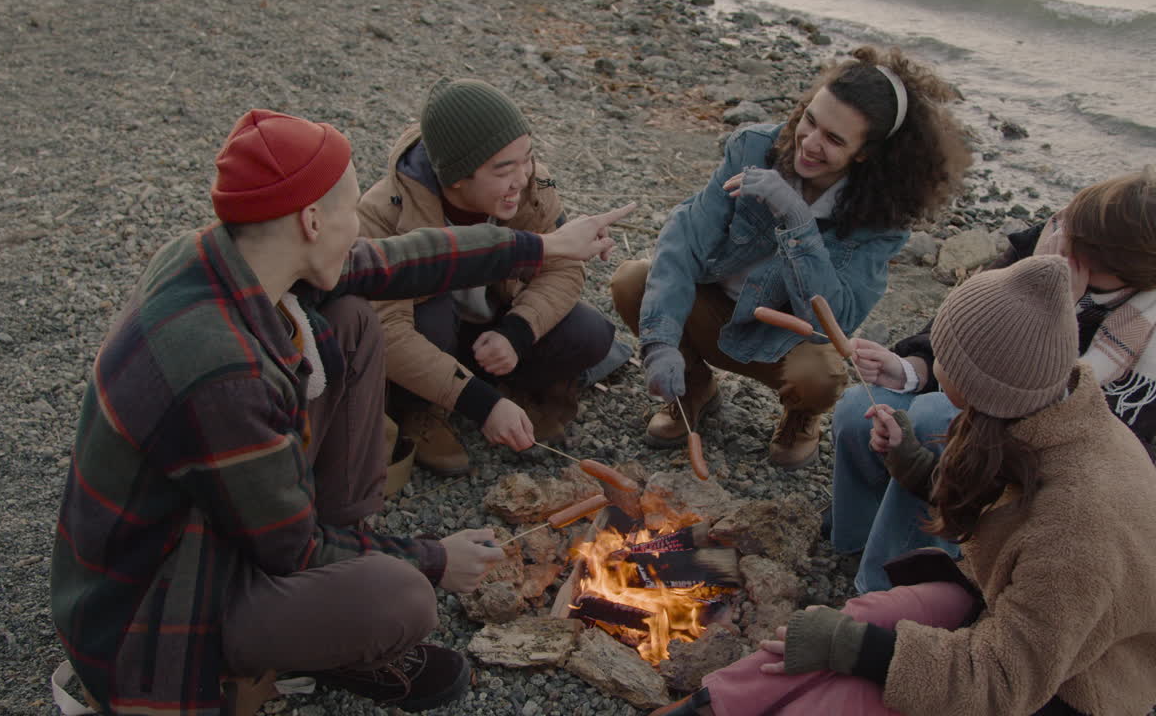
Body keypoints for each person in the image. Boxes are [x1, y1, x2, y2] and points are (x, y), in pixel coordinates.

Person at [49, 108, 631, 714]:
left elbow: (398, 260)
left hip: (202, 526)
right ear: (309, 219)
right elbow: (291, 552)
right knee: (402, 599)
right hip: (155, 604)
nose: (359, 228)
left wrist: (540, 245)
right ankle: (315, 649)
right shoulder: (226, 371)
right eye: (351, 212)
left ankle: (348, 548)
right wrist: (434, 559)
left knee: (350, 319)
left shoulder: (222, 256)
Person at [651, 256, 1156, 716]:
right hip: (1002, 603)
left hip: (1071, 685)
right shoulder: (1037, 409)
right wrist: (908, 460)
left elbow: (1003, 682)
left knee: (847, 698)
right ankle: (707, 706)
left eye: (943, 354)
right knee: (855, 616)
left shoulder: (1078, 525)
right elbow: (992, 508)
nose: (933, 360)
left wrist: (857, 651)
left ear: (977, 383)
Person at [830, 169, 1156, 592]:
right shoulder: (1053, 238)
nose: (1066, 257)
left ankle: (892, 585)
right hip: (965, 384)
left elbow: (1086, 431)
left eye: (1084, 261)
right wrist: (911, 369)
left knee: (937, 420)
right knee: (856, 409)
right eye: (1069, 237)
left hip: (1037, 447)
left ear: (1131, 276)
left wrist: (1055, 309)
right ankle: (853, 540)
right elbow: (961, 323)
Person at [611, 46, 971, 468]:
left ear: (865, 153)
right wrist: (659, 341)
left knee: (821, 378)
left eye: (834, 139)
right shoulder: (752, 147)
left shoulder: (883, 220)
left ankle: (800, 419)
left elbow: (832, 323)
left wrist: (798, 223)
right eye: (810, 121)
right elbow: (683, 242)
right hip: (708, 310)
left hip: (780, 342)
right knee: (633, 281)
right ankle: (692, 389)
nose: (810, 143)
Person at [360, 77, 619, 476]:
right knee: (428, 315)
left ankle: (517, 390)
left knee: (590, 331)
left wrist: (516, 332)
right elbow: (389, 332)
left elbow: (564, 267)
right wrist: (481, 404)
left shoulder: (536, 183)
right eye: (504, 169)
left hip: (491, 331)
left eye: (527, 158)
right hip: (433, 334)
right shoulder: (382, 212)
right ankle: (423, 411)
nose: (523, 177)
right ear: (456, 178)